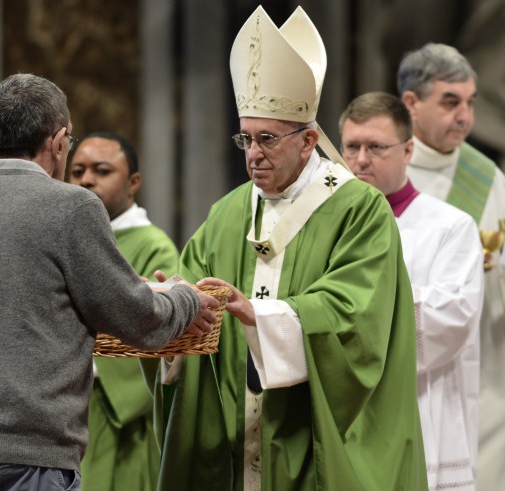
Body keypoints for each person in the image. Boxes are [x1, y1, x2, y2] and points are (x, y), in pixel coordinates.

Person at [154, 6, 427, 491]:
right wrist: (171, 303)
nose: (253, 154)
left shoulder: (358, 209)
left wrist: (258, 316)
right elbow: (195, 299)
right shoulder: (228, 213)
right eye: (245, 138)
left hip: (311, 435)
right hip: (233, 443)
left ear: (308, 141)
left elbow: (356, 318)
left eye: (267, 139)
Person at [0, 73, 220, 491]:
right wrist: (186, 298)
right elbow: (138, 317)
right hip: (26, 446)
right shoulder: (70, 206)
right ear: (58, 143)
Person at [340, 91, 484, 490]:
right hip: (346, 411)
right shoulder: (329, 227)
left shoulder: (450, 227)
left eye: (375, 147)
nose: (361, 160)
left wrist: (357, 312)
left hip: (421, 408)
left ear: (407, 150)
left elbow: (452, 316)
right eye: (351, 147)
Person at [398, 43, 505, 490]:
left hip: (484, 384)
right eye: (450, 102)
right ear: (411, 103)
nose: (465, 116)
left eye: (470, 102)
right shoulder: (378, 175)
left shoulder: (488, 179)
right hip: (406, 375)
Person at [69, 132, 178, 491]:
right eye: (78, 171)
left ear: (133, 183)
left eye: (102, 171)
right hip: (66, 409)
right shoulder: (66, 237)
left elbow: (162, 335)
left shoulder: (154, 247)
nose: (87, 180)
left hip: (120, 417)